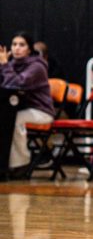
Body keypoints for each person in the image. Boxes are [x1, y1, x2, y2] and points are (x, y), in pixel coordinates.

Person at [0, 32, 54, 175]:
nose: (17, 48)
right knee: (6, 118)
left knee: (13, 120)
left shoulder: (37, 66)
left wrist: (4, 65)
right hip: (20, 109)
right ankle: (4, 164)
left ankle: (21, 164)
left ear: (29, 50)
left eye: (22, 45)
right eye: (14, 44)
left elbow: (18, 84)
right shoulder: (11, 64)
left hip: (41, 111)